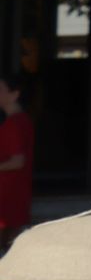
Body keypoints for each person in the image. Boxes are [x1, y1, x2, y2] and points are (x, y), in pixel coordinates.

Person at [0, 71, 34, 251]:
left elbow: (17, 161)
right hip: (13, 192)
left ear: (15, 94)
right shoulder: (21, 121)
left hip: (7, 193)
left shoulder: (14, 124)